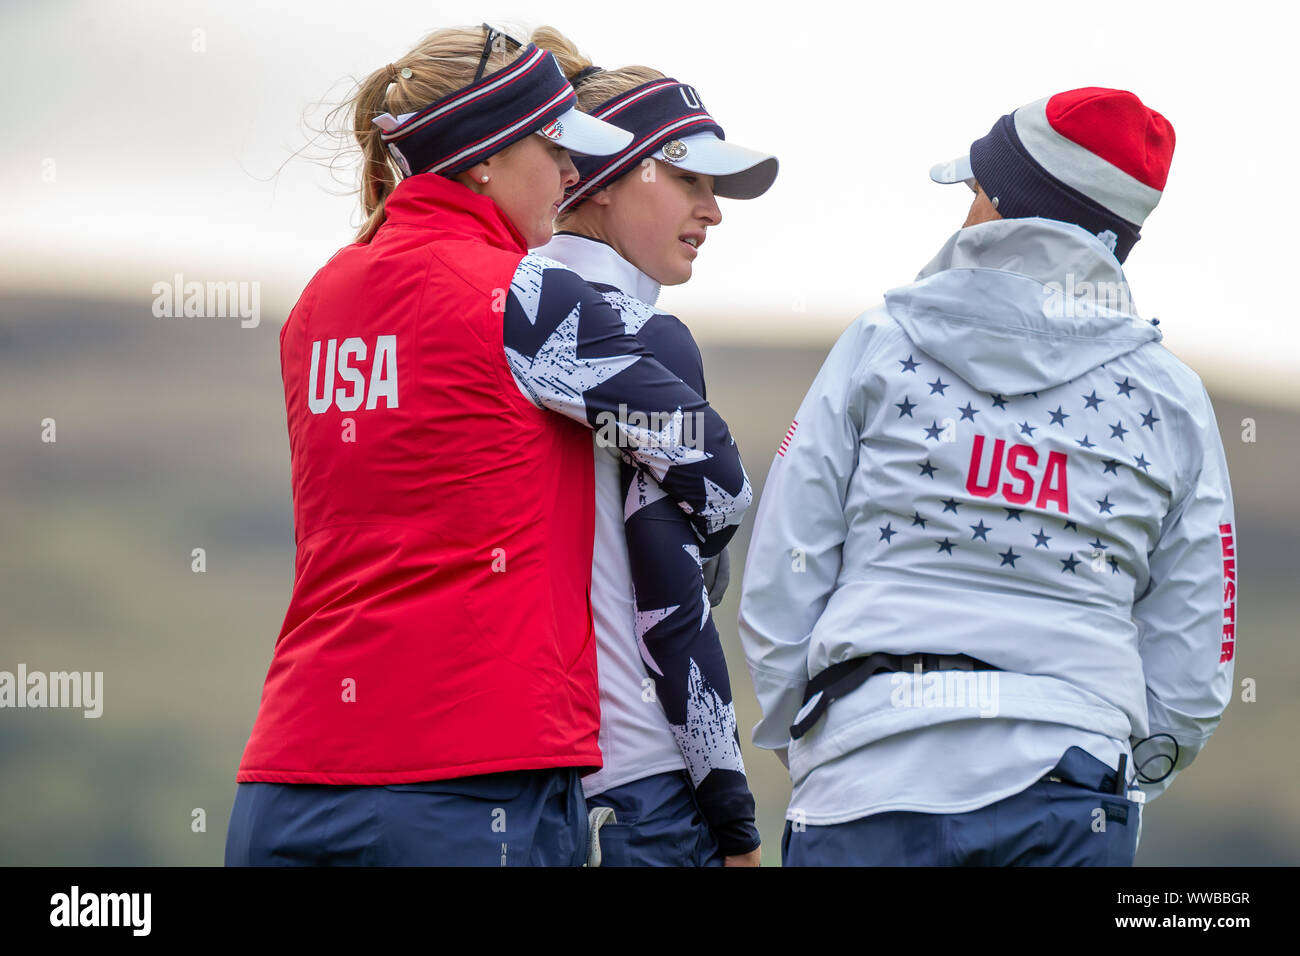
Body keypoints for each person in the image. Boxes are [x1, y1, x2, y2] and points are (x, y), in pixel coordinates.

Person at [225, 23, 752, 867]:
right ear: (484, 161)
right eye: (555, 149)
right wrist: (702, 543)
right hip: (472, 785)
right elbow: (711, 467)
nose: (575, 176)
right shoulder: (520, 294)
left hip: (288, 777)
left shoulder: (318, 299)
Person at [737, 87, 1237, 866]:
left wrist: (815, 736)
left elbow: (782, 570)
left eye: (973, 189)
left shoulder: (879, 343)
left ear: (1004, 203)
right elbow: (1198, 641)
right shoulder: (1174, 399)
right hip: (1074, 788)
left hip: (865, 776)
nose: (963, 209)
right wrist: (1130, 766)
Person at [531, 34, 778, 866]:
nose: (712, 211)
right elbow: (670, 609)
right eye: (688, 181)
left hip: (521, 782)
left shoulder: (493, 311)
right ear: (600, 178)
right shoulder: (649, 335)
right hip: (645, 780)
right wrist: (733, 817)